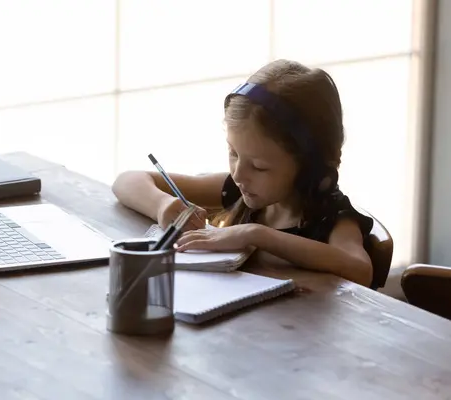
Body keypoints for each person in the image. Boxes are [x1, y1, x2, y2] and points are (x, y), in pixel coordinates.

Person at [111, 59, 374, 287]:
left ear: (310, 165)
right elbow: (127, 181)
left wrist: (256, 234)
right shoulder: (239, 187)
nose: (238, 174)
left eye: (259, 166)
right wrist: (163, 205)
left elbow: (360, 270)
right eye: (233, 153)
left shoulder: (331, 216)